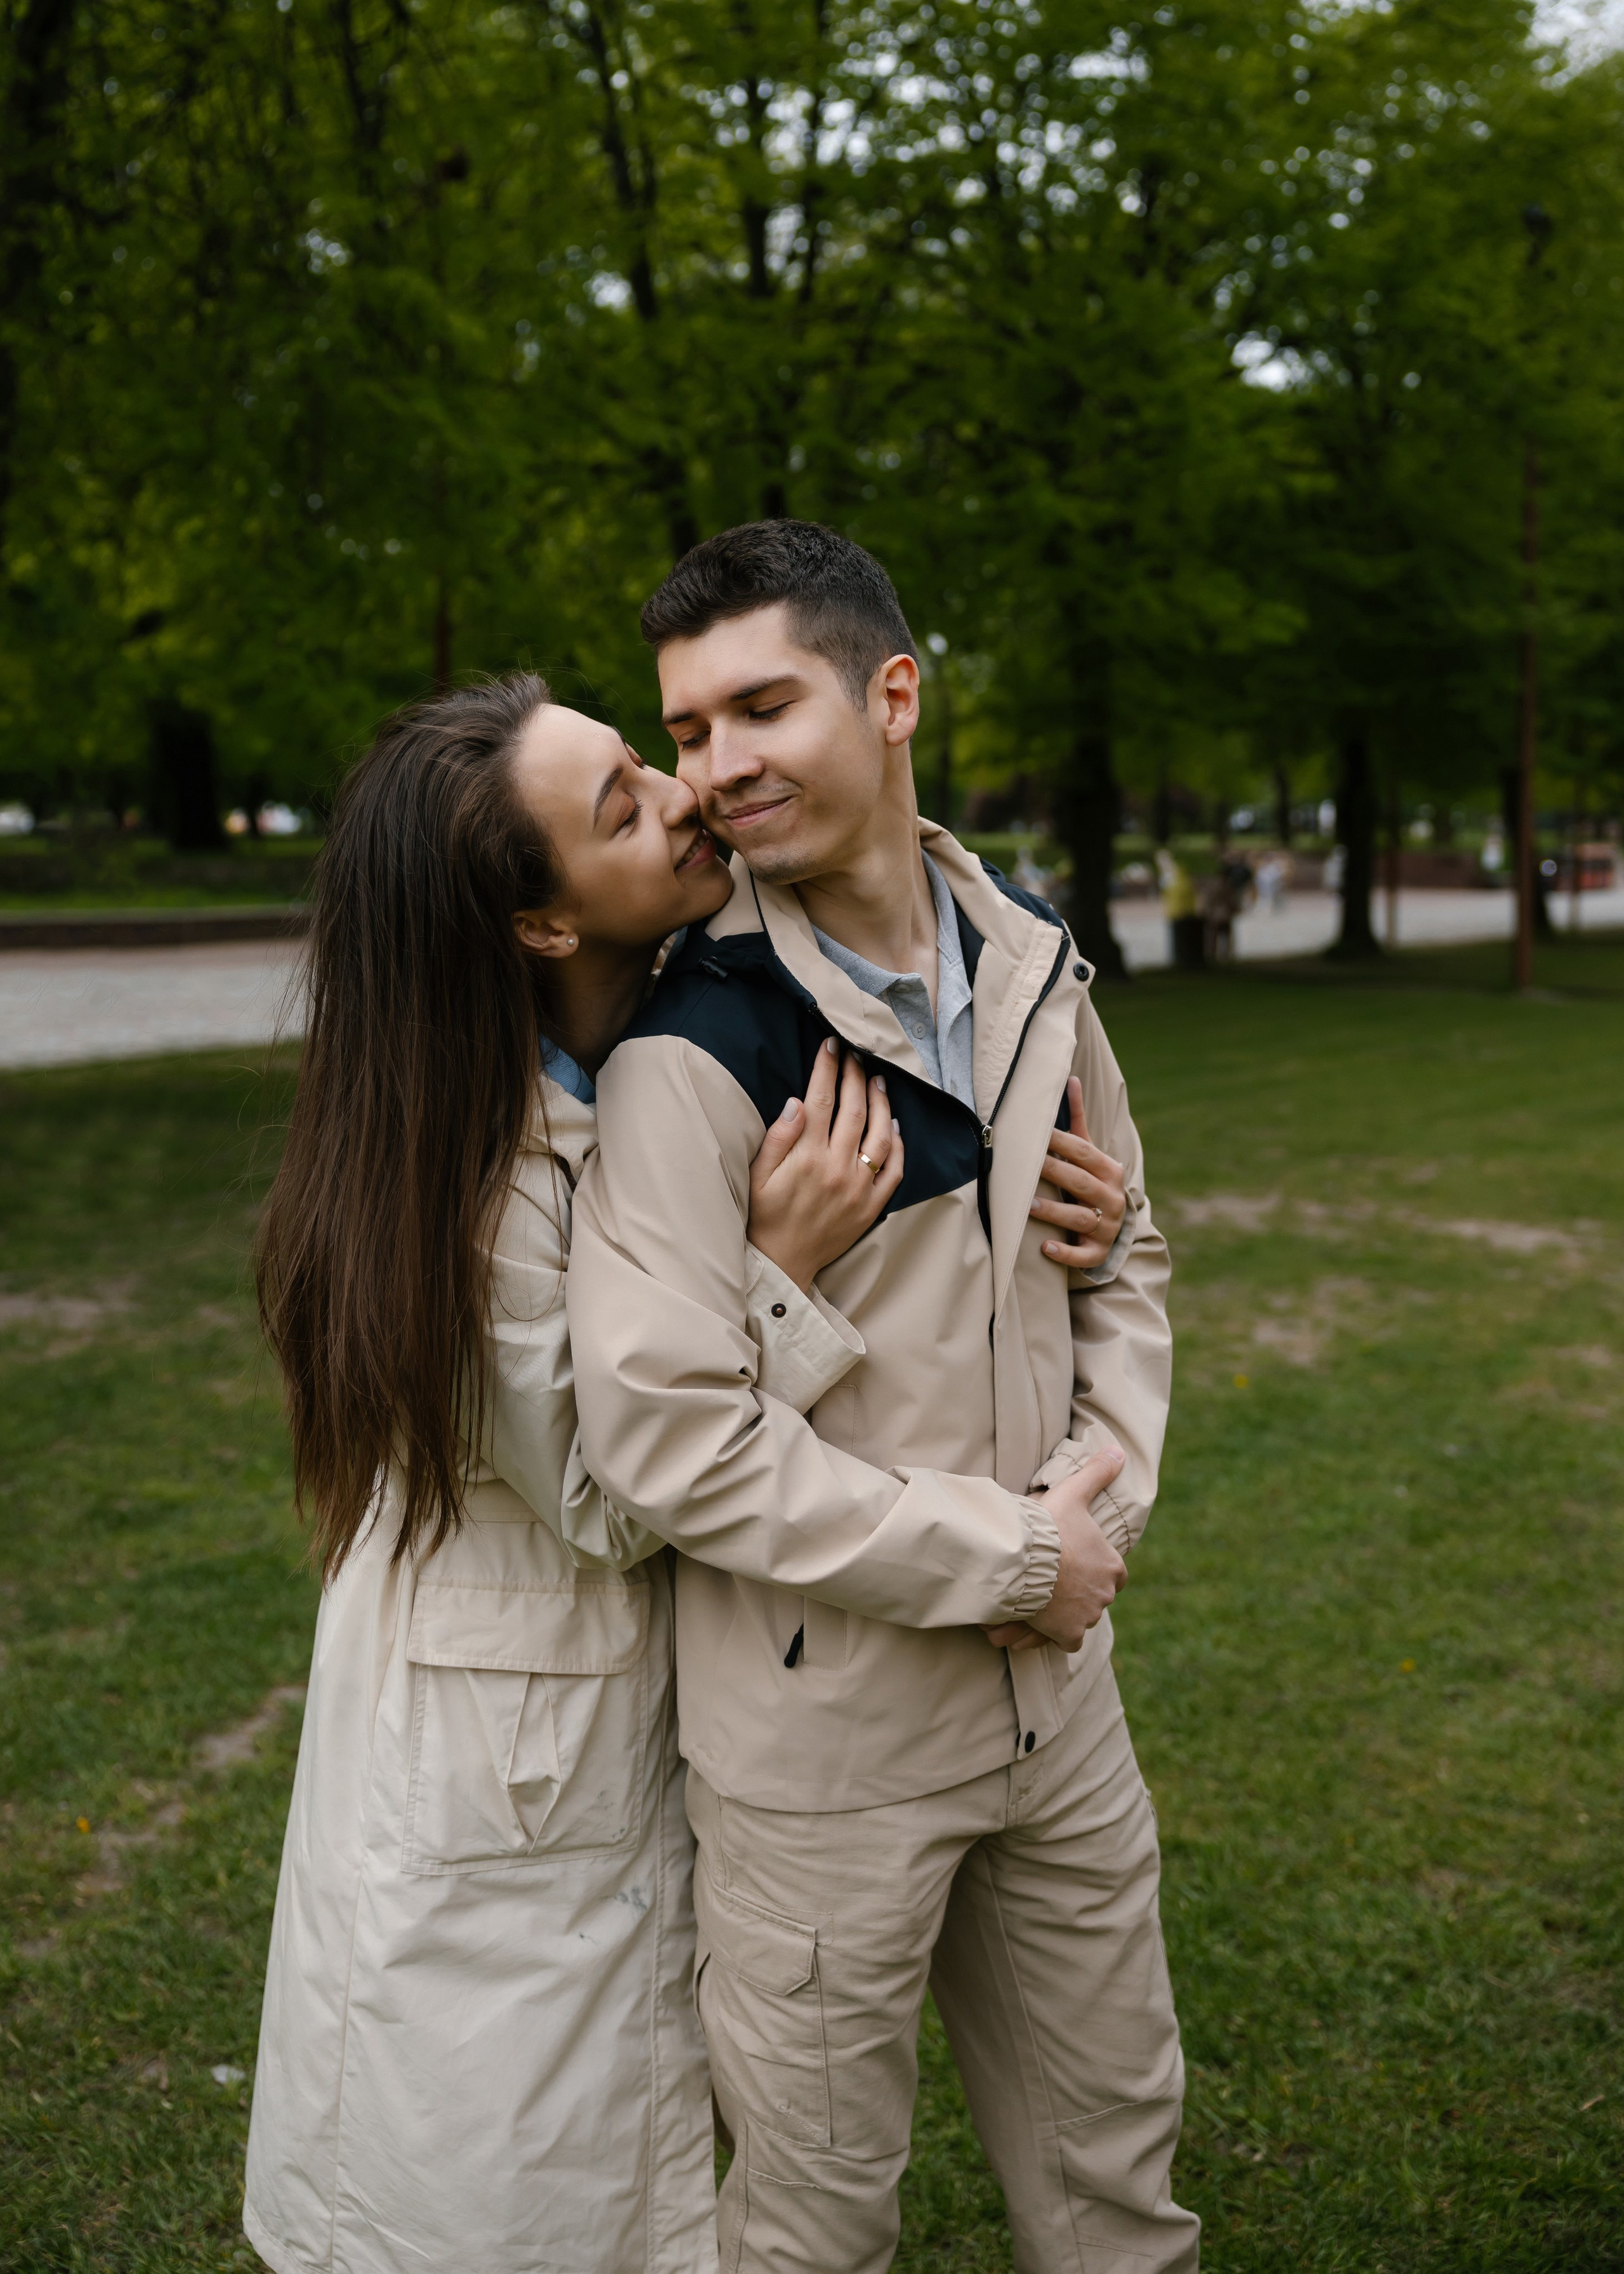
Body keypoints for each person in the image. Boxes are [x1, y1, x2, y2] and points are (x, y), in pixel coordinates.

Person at [242, 674, 1127, 2274]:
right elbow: (609, 1483)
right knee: (510, 2177)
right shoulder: (469, 1178)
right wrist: (767, 1275)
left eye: (645, 764)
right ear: (535, 923)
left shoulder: (675, 1051)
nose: (684, 798)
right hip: (510, 1724)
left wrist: (1066, 1212)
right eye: (622, 808)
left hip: (680, 1679)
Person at [566, 521, 1200, 2273]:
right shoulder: (696, 1046)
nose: (718, 767)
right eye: (688, 729)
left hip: (1063, 1711)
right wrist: (1007, 1557)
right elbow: (668, 1438)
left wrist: (1099, 1511)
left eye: (761, 705)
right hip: (821, 1756)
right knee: (811, 2229)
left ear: (892, 691)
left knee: (1122, 2190)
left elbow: (1126, 1258)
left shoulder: (1033, 960)